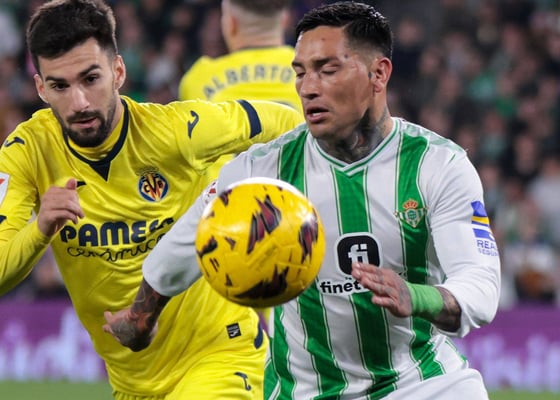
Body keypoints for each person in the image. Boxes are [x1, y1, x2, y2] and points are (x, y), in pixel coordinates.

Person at [104, 2, 501, 399]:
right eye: (300, 72)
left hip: (421, 385)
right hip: (306, 392)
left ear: (378, 74)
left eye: (327, 70)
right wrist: (141, 316)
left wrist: (416, 296)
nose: (308, 88)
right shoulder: (263, 169)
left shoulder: (437, 165)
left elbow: (479, 285)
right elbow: (185, 243)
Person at [0, 0, 303, 399]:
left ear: (118, 72)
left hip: (218, 354)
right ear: (40, 88)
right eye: (60, 86)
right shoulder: (27, 152)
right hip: (131, 381)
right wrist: (40, 229)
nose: (80, 103)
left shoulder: (176, 132)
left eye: (91, 78)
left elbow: (288, 120)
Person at [178, 0, 302, 183]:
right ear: (286, 20)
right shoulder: (309, 70)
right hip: (300, 195)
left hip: (224, 197)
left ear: (231, 24)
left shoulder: (198, 79)